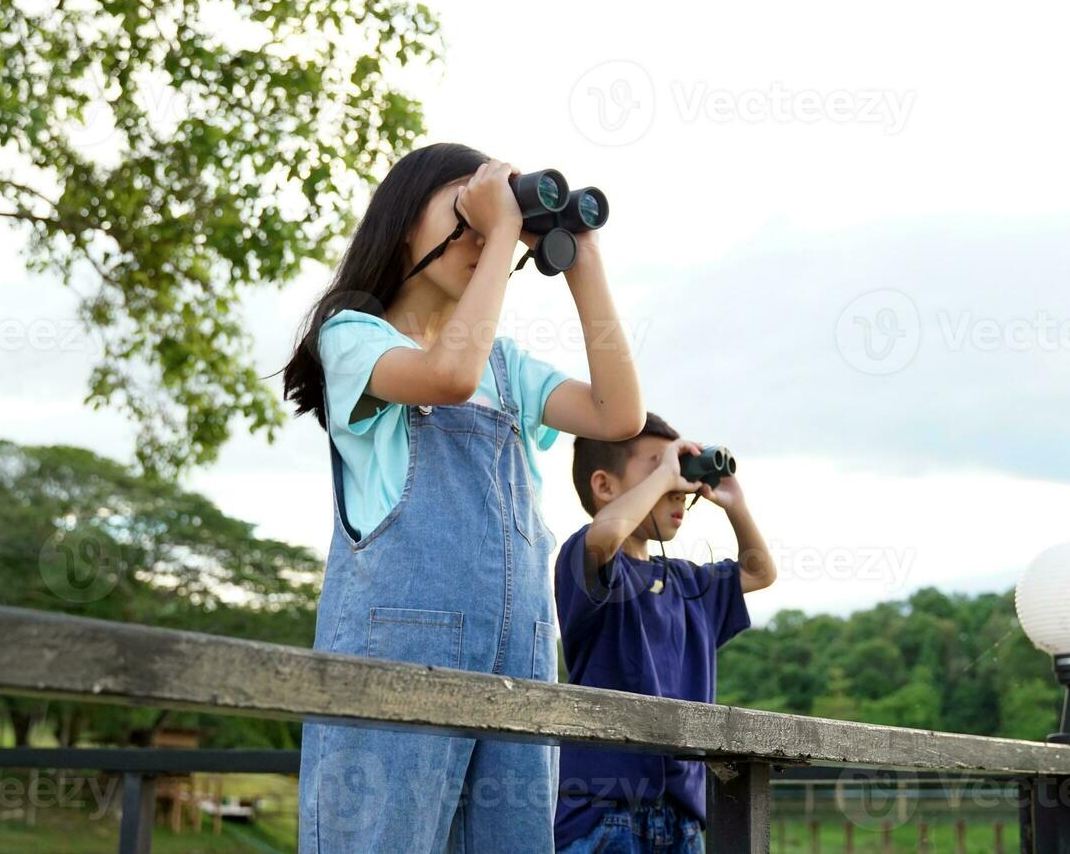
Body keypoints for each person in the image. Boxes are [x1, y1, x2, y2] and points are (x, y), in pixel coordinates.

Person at [282, 144, 645, 853]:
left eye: (495, 220)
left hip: (521, 671)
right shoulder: (353, 338)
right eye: (467, 212)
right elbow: (446, 375)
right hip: (396, 672)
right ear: (402, 219)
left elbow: (620, 415)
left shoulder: (505, 369)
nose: (484, 234)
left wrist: (584, 259)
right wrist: (504, 225)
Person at [554, 413, 777, 853]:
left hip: (683, 814)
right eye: (656, 466)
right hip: (603, 812)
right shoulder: (591, 565)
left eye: (678, 474)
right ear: (605, 486)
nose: (676, 483)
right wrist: (664, 475)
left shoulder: (690, 584)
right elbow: (606, 537)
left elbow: (760, 571)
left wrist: (735, 504)